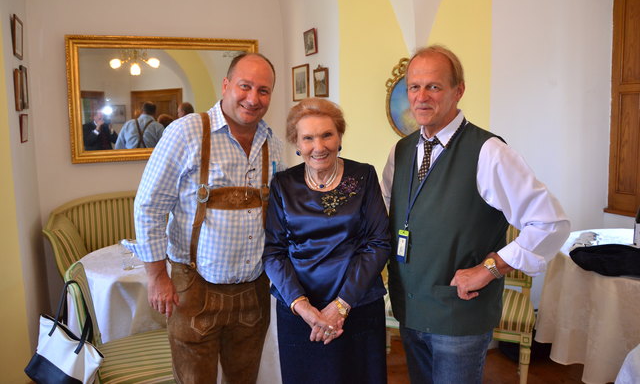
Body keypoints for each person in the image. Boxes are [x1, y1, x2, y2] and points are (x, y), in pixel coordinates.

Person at [381, 45, 570, 383]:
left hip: (459, 318)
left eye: (434, 86)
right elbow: (386, 212)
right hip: (409, 309)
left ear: (459, 91)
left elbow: (550, 223)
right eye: (414, 87)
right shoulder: (401, 151)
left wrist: (490, 268)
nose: (421, 97)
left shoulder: (490, 152)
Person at [126, 53, 285, 383]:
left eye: (264, 90)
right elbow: (149, 206)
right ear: (226, 85)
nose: (253, 98)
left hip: (253, 291)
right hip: (193, 289)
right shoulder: (186, 132)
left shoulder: (272, 142)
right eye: (245, 86)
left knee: (245, 379)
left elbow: (282, 213)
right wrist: (157, 276)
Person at [263, 98, 391, 384]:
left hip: (357, 306)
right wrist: (303, 307)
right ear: (296, 143)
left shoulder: (363, 176)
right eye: (308, 138)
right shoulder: (283, 184)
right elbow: (273, 252)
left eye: (326, 135)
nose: (318, 146)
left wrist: (341, 306)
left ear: (340, 137)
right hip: (299, 313)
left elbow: (378, 242)